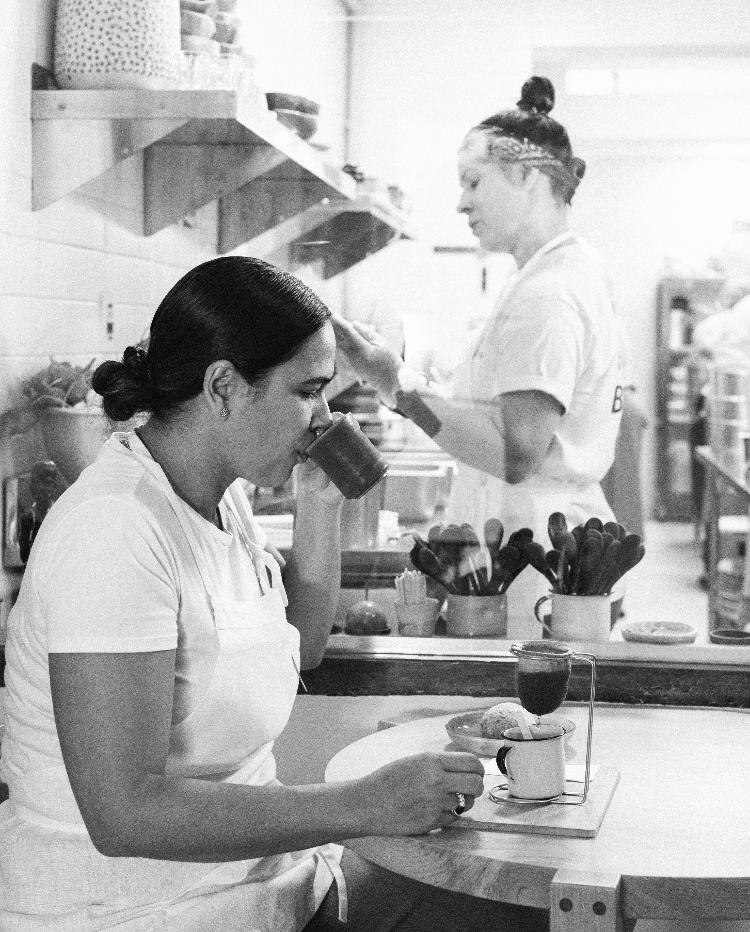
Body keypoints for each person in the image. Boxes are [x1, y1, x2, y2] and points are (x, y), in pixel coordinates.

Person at [0, 256, 551, 931]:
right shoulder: (113, 529)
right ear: (225, 388)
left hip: (261, 888)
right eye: (308, 391)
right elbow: (124, 814)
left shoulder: (215, 500)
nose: (324, 418)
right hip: (134, 910)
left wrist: (317, 508)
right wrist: (361, 804)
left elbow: (305, 647)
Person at [334, 76, 624, 637]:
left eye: (473, 181)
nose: (461, 202)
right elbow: (497, 412)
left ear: (525, 175)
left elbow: (516, 452)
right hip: (531, 546)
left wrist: (393, 383)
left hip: (531, 558)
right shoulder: (555, 273)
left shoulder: (548, 294)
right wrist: (396, 371)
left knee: (525, 717)